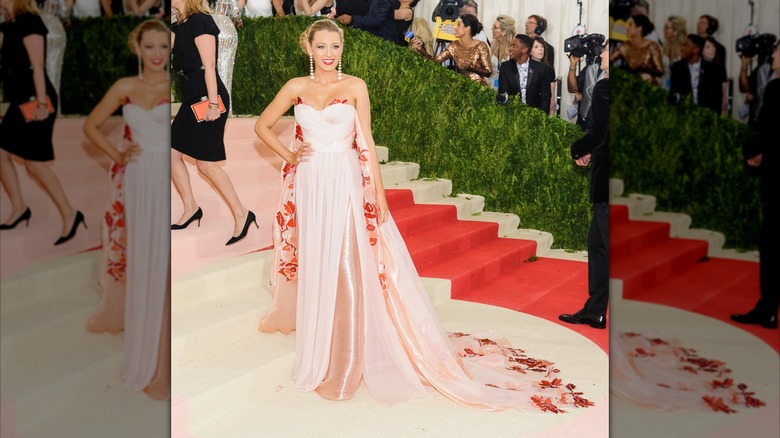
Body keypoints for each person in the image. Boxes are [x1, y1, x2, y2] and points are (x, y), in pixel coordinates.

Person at [254, 18, 595, 411]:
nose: (329, 54)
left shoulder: (355, 87)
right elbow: (262, 126)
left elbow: (364, 142)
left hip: (346, 182)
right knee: (320, 262)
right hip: (312, 183)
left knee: (348, 264)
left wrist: (378, 195)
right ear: (308, 49)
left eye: (335, 46)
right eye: (322, 47)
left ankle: (345, 360)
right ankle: (320, 339)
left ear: (342, 48)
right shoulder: (296, 87)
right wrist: (292, 156)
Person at [82, 19, 171, 400]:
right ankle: (143, 351)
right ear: (138, 48)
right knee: (143, 261)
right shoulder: (124, 87)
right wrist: (118, 154)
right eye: (149, 46)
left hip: (164, 179)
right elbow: (91, 126)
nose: (156, 54)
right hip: (136, 180)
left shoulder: (176, 85)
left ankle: (163, 361)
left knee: (164, 265)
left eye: (163, 47)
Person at [170, 0, 256, 245]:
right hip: (191, 99)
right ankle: (190, 208)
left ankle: (242, 213)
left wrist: (213, 104)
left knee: (205, 165)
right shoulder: (179, 25)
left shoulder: (201, 21)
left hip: (208, 97)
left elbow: (209, 65)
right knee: (171, 153)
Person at [0, 0, 85, 245]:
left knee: (34, 164)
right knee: (3, 153)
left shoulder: (29, 21)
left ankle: (70, 213)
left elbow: (38, 65)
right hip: (20, 101)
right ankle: (19, 208)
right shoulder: (9, 25)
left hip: (36, 99)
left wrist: (40, 104)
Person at [558, 39, 609, 330]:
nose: (600, 54)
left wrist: (578, 148)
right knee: (598, 243)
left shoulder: (605, 87)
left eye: (604, 50)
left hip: (606, 179)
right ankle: (595, 310)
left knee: (608, 247)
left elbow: (599, 132)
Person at [731, 41, 779, 330]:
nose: (772, 54)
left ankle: (768, 308)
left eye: (776, 50)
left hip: (776, 179)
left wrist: (752, 150)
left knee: (772, 243)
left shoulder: (776, 89)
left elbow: (768, 129)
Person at [411, 13, 491, 86]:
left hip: (480, 89)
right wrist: (421, 49)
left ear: (467, 28)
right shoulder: (454, 46)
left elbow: (488, 72)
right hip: (462, 88)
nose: (455, 27)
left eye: (459, 25)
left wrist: (471, 67)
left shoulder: (481, 46)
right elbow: (435, 62)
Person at [496, 34, 555, 114]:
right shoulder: (506, 67)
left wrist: (541, 117)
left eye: (514, 46)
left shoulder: (541, 68)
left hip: (534, 117)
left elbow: (546, 97)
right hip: (512, 116)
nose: (510, 49)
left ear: (524, 50)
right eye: (511, 45)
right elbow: (503, 92)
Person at [669, 34, 726, 115]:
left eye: (686, 46)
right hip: (684, 116)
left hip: (705, 117)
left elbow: (717, 98)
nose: (682, 49)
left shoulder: (713, 69)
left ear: (696, 49)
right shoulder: (677, 67)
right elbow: (673, 92)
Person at [609, 14, 663, 86]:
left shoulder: (652, 46)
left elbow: (660, 71)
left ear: (639, 28)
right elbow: (609, 60)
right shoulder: (626, 46)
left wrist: (644, 69)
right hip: (632, 85)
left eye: (630, 25)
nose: (627, 28)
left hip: (649, 86)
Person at [530, 36, 557, 116]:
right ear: (530, 51)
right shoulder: (526, 67)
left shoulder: (549, 68)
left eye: (542, 46)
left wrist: (552, 103)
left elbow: (551, 88)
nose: (540, 49)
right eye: (536, 47)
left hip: (544, 105)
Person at [488, 14, 514, 90]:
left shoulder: (513, 47)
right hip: (492, 86)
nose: (492, 29)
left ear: (504, 32)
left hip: (508, 87)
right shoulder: (493, 44)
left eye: (495, 27)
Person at [661, 15, 686, 89]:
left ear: (676, 32)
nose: (664, 30)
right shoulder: (663, 46)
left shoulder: (684, 49)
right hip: (664, 85)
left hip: (679, 86)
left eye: (667, 28)